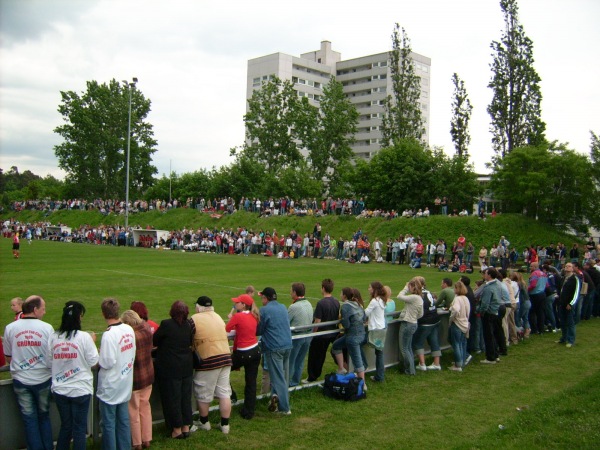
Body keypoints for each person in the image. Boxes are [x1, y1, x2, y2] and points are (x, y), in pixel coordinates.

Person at [3, 295, 54, 450]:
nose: (44, 312)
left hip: (21, 379)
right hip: (43, 379)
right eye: (43, 308)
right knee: (44, 417)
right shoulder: (47, 328)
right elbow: (51, 355)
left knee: (29, 419)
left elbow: (8, 356)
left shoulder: (11, 328)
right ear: (35, 309)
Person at [48, 301, 98, 450]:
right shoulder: (84, 337)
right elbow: (94, 361)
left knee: (66, 426)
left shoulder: (54, 337)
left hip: (61, 389)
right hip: (80, 389)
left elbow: (48, 362)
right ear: (79, 318)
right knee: (78, 428)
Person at [96, 298, 136, 450]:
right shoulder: (128, 329)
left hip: (111, 385)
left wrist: (98, 355)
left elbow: (107, 362)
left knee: (109, 424)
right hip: (125, 381)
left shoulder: (109, 335)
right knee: (123, 421)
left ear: (103, 314)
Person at [191, 296, 233, 434]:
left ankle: (204, 422)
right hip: (226, 356)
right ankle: (225, 424)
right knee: (224, 391)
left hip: (209, 358)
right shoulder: (218, 316)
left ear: (198, 307)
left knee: (203, 392)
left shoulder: (194, 319)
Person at [153, 300, 194, 440]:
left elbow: (155, 340)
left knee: (174, 398)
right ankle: (185, 426)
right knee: (185, 397)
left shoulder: (166, 324)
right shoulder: (188, 325)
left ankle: (177, 429)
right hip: (185, 367)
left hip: (172, 368)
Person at [121, 310, 154, 449]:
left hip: (136, 377)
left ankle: (137, 442)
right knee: (145, 407)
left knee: (134, 410)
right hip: (148, 375)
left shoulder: (132, 336)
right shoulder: (146, 328)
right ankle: (147, 438)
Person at [257, 287, 293, 415]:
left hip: (275, 347)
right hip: (287, 345)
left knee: (278, 379)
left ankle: (284, 408)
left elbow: (259, 330)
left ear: (265, 298)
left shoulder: (264, 310)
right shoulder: (283, 307)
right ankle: (275, 398)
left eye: (262, 298)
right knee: (280, 376)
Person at [226, 294, 261, 420]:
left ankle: (231, 395)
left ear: (243, 305)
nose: (236, 304)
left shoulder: (238, 316)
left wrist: (231, 318)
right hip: (255, 351)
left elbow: (227, 329)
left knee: (222, 370)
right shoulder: (254, 315)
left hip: (243, 353)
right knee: (251, 382)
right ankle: (248, 411)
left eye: (238, 302)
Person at [305, 279, 340, 383]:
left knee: (315, 356)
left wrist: (313, 333)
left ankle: (312, 376)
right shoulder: (336, 301)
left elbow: (317, 321)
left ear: (323, 288)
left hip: (322, 334)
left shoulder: (321, 303)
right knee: (323, 354)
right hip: (332, 332)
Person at [332, 287, 367, 389]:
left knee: (357, 361)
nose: (340, 295)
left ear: (344, 296)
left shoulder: (346, 307)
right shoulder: (358, 304)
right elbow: (364, 318)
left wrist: (341, 320)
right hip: (361, 334)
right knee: (336, 345)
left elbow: (346, 325)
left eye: (341, 293)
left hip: (353, 337)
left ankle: (362, 384)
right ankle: (341, 368)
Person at [412, 277, 442, 371]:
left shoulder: (419, 295)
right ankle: (437, 363)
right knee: (434, 341)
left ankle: (422, 364)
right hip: (435, 318)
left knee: (418, 342)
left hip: (426, 321)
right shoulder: (428, 292)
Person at [287, 283, 314, 387]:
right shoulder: (308, 303)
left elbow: (286, 322)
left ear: (294, 292)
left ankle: (288, 382)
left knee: (291, 360)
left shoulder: (294, 307)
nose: (290, 292)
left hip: (297, 336)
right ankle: (295, 381)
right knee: (300, 359)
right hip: (307, 335)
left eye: (291, 291)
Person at [396, 279, 424, 375]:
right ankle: (411, 369)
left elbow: (399, 296)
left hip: (407, 324)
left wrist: (405, 288)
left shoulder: (414, 297)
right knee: (408, 347)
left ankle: (409, 370)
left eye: (410, 287)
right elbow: (421, 314)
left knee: (404, 348)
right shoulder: (420, 298)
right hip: (413, 323)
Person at [477, 268, 503, 364]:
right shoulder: (497, 285)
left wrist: (480, 311)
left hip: (489, 313)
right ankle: (495, 355)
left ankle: (490, 357)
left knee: (488, 335)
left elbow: (485, 304)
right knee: (492, 335)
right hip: (495, 311)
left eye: (486, 273)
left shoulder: (489, 288)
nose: (484, 275)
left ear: (489, 275)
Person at [365, 281, 388, 382]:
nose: (368, 289)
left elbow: (365, 313)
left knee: (378, 353)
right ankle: (380, 374)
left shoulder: (375, 301)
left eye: (370, 287)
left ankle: (379, 375)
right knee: (379, 352)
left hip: (376, 329)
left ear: (374, 289)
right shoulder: (382, 300)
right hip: (381, 327)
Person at [556, 263, 580, 347]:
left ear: (573, 268)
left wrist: (571, 303)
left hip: (569, 304)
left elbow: (576, 293)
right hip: (562, 303)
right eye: (566, 266)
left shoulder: (575, 279)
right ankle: (564, 338)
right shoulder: (563, 278)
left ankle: (571, 340)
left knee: (570, 322)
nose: (567, 267)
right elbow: (561, 290)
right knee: (563, 322)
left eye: (569, 266)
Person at [448, 281, 470, 372]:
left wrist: (451, 318)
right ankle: (461, 361)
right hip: (465, 323)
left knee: (456, 344)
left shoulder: (457, 299)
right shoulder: (465, 298)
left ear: (458, 289)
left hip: (457, 323)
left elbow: (456, 310)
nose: (454, 290)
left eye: (455, 288)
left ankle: (458, 364)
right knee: (461, 343)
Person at [528, 262, 548, 335]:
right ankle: (541, 329)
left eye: (531, 266)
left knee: (532, 312)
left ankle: (534, 329)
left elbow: (533, 285)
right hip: (542, 294)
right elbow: (547, 285)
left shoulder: (534, 274)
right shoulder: (544, 274)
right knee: (541, 312)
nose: (530, 268)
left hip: (534, 294)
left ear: (535, 267)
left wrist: (527, 290)